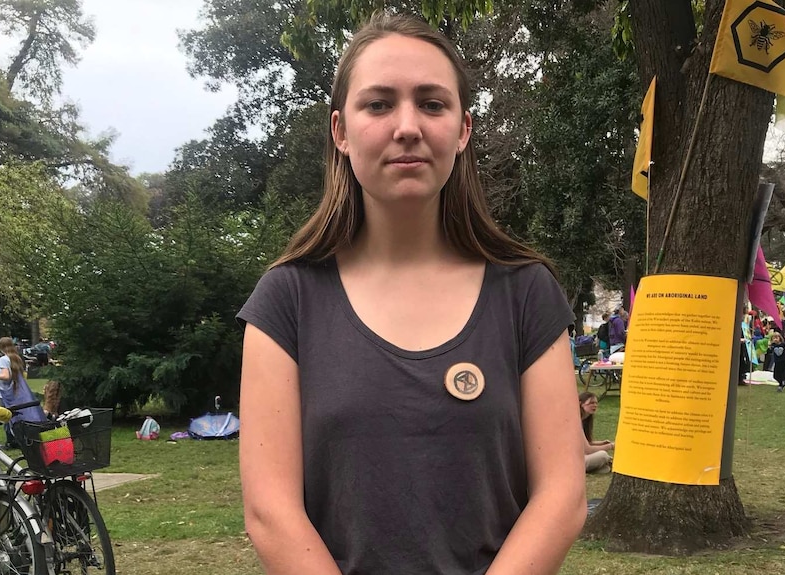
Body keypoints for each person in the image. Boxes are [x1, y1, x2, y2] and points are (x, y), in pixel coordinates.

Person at [235, 13, 586, 575]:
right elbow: (270, 510)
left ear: (463, 129)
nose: (407, 126)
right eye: (378, 104)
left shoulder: (525, 293)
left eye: (432, 103)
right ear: (340, 132)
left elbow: (562, 498)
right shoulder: (287, 300)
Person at [0, 337, 46, 447]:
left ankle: (11, 441)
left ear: (1, 347)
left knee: (6, 416)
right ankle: (18, 438)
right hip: (17, 391)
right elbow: (9, 375)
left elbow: (6, 376)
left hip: (6, 394)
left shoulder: (3, 359)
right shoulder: (16, 358)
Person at [579, 392, 614, 474]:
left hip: (581, 457)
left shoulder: (584, 421)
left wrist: (601, 443)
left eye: (596, 403)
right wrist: (610, 446)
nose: (594, 405)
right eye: (591, 403)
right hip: (573, 461)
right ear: (581, 404)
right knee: (603, 455)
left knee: (605, 469)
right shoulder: (575, 422)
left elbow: (586, 443)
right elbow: (588, 450)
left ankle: (607, 462)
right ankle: (608, 460)